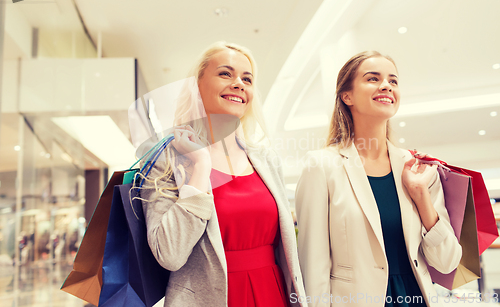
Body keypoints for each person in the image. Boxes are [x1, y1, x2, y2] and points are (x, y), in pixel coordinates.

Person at [139, 41, 307, 307]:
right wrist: (201, 164)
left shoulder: (265, 160)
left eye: (247, 78)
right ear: (197, 86)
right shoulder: (167, 162)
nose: (239, 83)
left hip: (272, 293)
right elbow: (169, 254)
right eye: (225, 74)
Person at [295, 51, 462, 307]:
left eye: (393, 81)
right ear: (346, 96)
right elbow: (313, 264)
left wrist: (420, 195)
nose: (386, 85)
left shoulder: (416, 167)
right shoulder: (321, 166)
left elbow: (447, 261)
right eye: (373, 79)